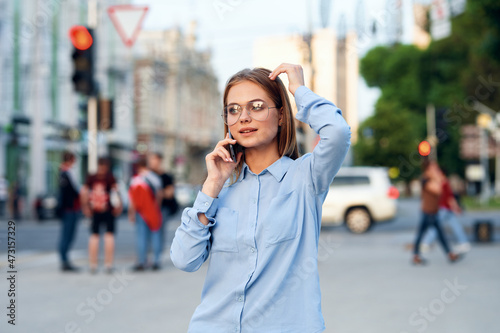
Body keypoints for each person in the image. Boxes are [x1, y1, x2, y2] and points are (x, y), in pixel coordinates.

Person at [170, 64, 351, 332]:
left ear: (280, 115)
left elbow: (337, 133)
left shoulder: (305, 179)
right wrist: (212, 186)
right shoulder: (220, 193)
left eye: (256, 106)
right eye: (233, 109)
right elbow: (184, 259)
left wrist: (298, 90)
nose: (243, 117)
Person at [412, 160, 461, 265]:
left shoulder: (430, 179)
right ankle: (449, 254)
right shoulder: (426, 180)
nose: (436, 170)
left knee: (433, 234)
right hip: (428, 212)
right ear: (428, 169)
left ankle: (449, 254)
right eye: (434, 168)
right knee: (429, 234)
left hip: (432, 212)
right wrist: (439, 178)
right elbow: (438, 190)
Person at [81, 157, 122, 274]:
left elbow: (84, 192)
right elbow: (116, 192)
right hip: (108, 210)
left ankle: (93, 264)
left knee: (94, 236)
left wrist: (85, 207)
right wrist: (119, 206)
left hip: (95, 211)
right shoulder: (110, 177)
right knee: (109, 236)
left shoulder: (91, 177)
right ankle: (108, 264)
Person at [421, 168, 470, 253]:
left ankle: (426, 243)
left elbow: (449, 198)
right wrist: (456, 207)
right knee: (456, 226)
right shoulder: (445, 183)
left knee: (435, 226)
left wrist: (456, 207)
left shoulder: (443, 184)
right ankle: (464, 242)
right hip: (447, 209)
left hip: (443, 209)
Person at [128, 156, 163, 271]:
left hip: (141, 212)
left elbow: (133, 200)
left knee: (141, 237)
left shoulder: (135, 180)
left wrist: (131, 213)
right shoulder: (154, 178)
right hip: (153, 211)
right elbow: (159, 195)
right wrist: (155, 208)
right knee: (155, 235)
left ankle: (142, 261)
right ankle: (156, 261)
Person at [148, 152, 178, 263]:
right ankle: (149, 257)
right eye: (151, 160)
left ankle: (157, 258)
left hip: (162, 208)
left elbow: (170, 192)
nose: (153, 163)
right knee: (148, 234)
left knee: (158, 232)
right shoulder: (147, 175)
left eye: (155, 160)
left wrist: (160, 193)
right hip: (148, 208)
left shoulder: (166, 176)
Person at [57, 151, 81, 272]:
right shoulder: (64, 173)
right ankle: (64, 260)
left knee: (70, 235)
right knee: (66, 235)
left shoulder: (68, 172)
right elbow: (68, 193)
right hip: (69, 209)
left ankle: (65, 259)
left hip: (73, 208)